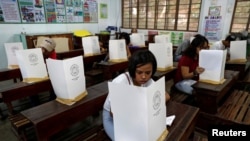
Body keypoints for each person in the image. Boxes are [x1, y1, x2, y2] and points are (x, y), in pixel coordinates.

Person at [102, 50, 170, 140]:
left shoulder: (148, 81)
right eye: (139, 72)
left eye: (148, 72)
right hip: (112, 119)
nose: (144, 77)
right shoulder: (121, 82)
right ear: (132, 70)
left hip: (137, 117)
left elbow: (166, 95)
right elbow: (113, 113)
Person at [30, 37, 57, 106]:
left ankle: (52, 99)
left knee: (55, 80)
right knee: (31, 85)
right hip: (35, 72)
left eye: (46, 49)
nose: (43, 50)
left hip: (46, 72)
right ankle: (35, 103)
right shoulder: (36, 52)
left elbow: (51, 66)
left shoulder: (52, 53)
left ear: (52, 50)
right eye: (42, 47)